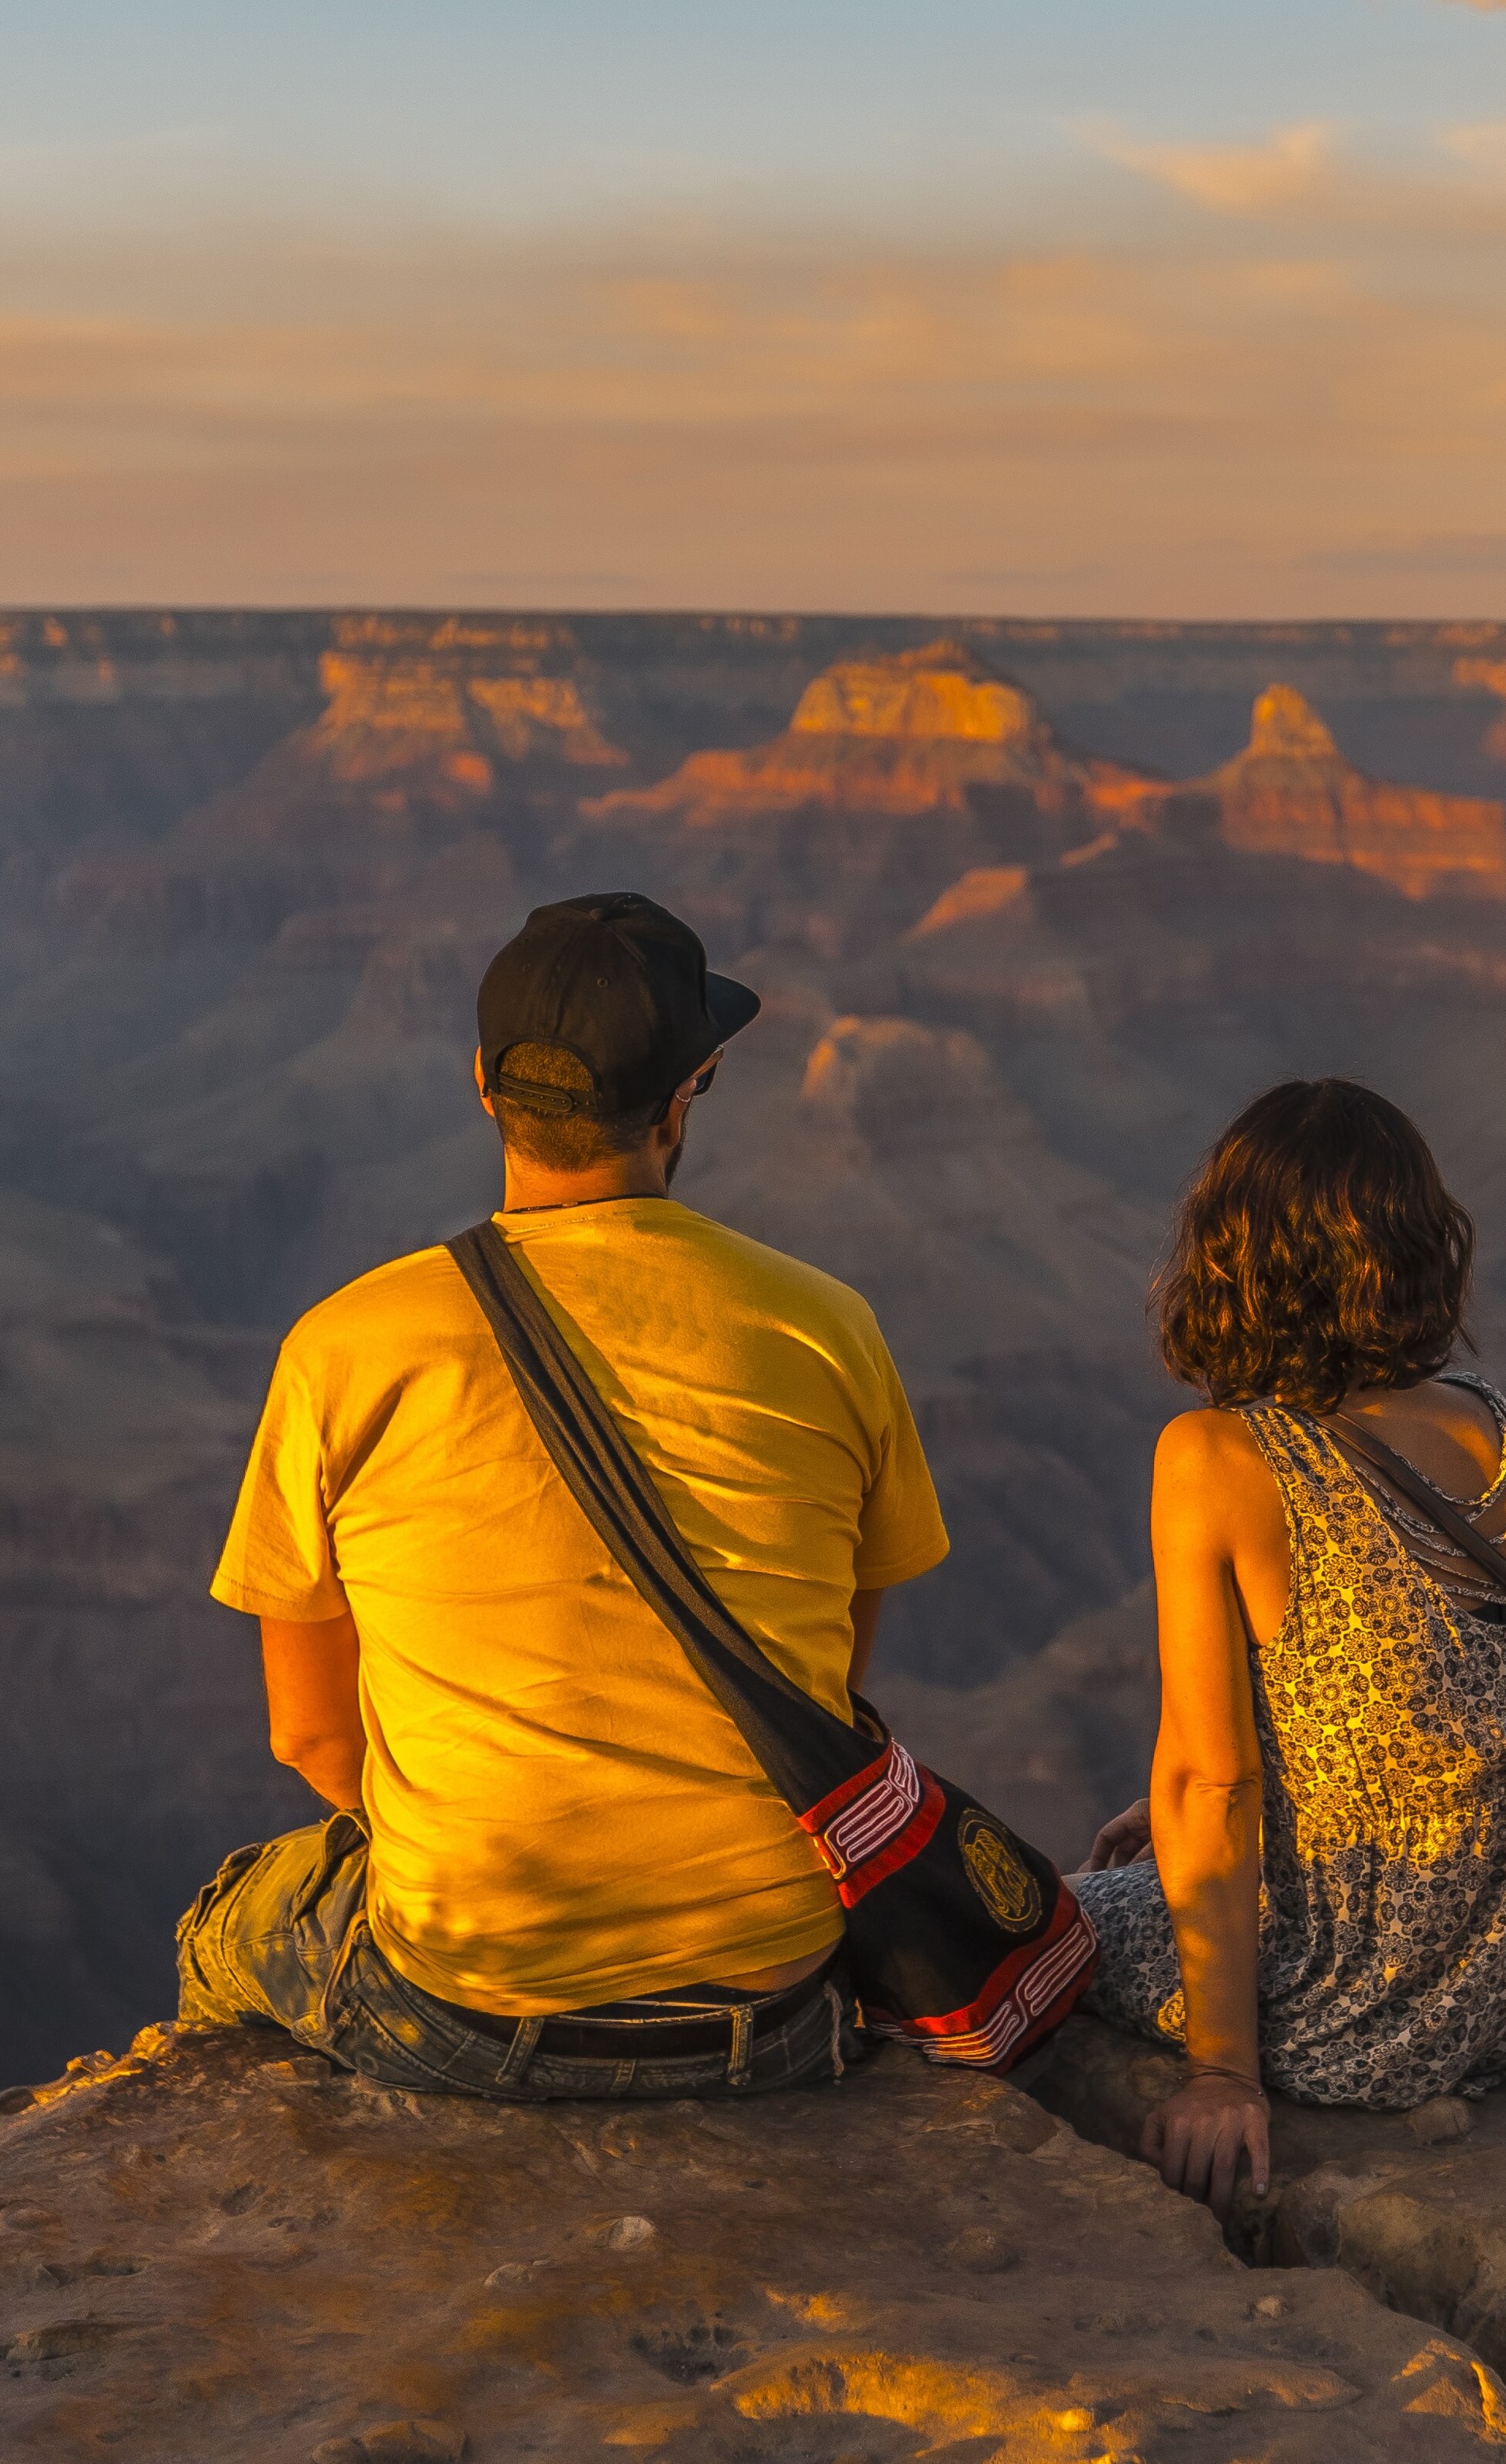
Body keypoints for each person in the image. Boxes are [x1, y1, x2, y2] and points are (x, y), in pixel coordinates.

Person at [175, 892, 949, 2100]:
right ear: (689, 1089)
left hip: (467, 2013)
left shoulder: (345, 1346)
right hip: (775, 2004)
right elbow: (829, 1680)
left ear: (485, 1084)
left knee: (232, 1918)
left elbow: (311, 1735)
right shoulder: (826, 1327)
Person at [1073, 1078, 1506, 2212]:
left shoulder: (1215, 1457)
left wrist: (1222, 2072)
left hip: (1365, 1992)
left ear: (1227, 1257)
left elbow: (1209, 1779)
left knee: (1035, 1916)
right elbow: (1429, 1677)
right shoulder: (1480, 1412)